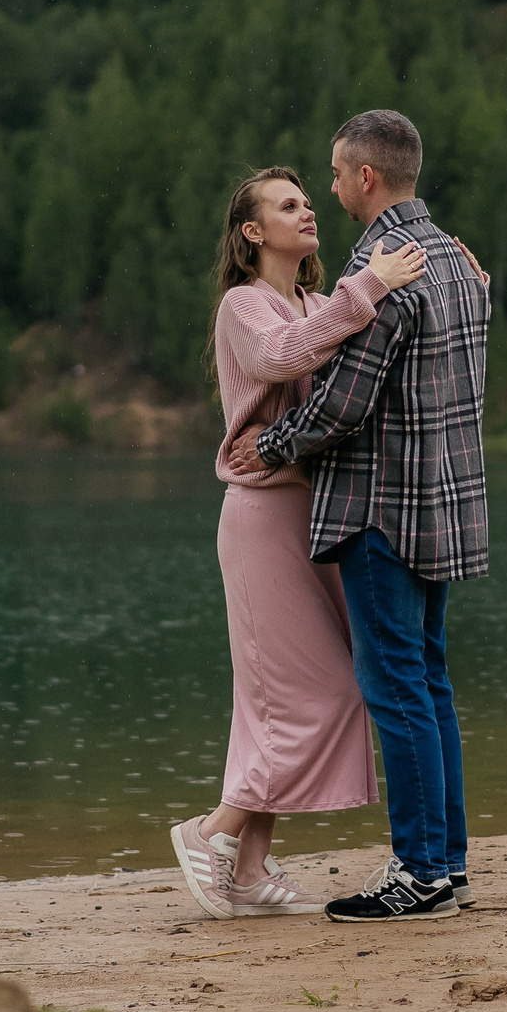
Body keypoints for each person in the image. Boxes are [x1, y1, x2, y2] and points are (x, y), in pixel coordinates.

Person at [228, 109, 492, 925]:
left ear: (366, 178)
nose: (328, 190)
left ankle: (418, 871)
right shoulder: (454, 260)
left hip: (379, 508)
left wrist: (272, 446)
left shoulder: (380, 267)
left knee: (396, 686)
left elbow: (343, 401)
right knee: (430, 680)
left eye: (335, 176)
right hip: (444, 503)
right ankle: (445, 863)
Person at [169, 167, 431, 918]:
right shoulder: (243, 306)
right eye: (289, 205)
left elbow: (342, 362)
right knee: (303, 693)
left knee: (281, 700)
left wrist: (453, 266)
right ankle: (212, 830)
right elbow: (286, 356)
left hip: (317, 515)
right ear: (253, 232)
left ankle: (248, 867)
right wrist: (368, 288)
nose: (307, 209)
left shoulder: (317, 302)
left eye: (309, 201)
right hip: (261, 520)